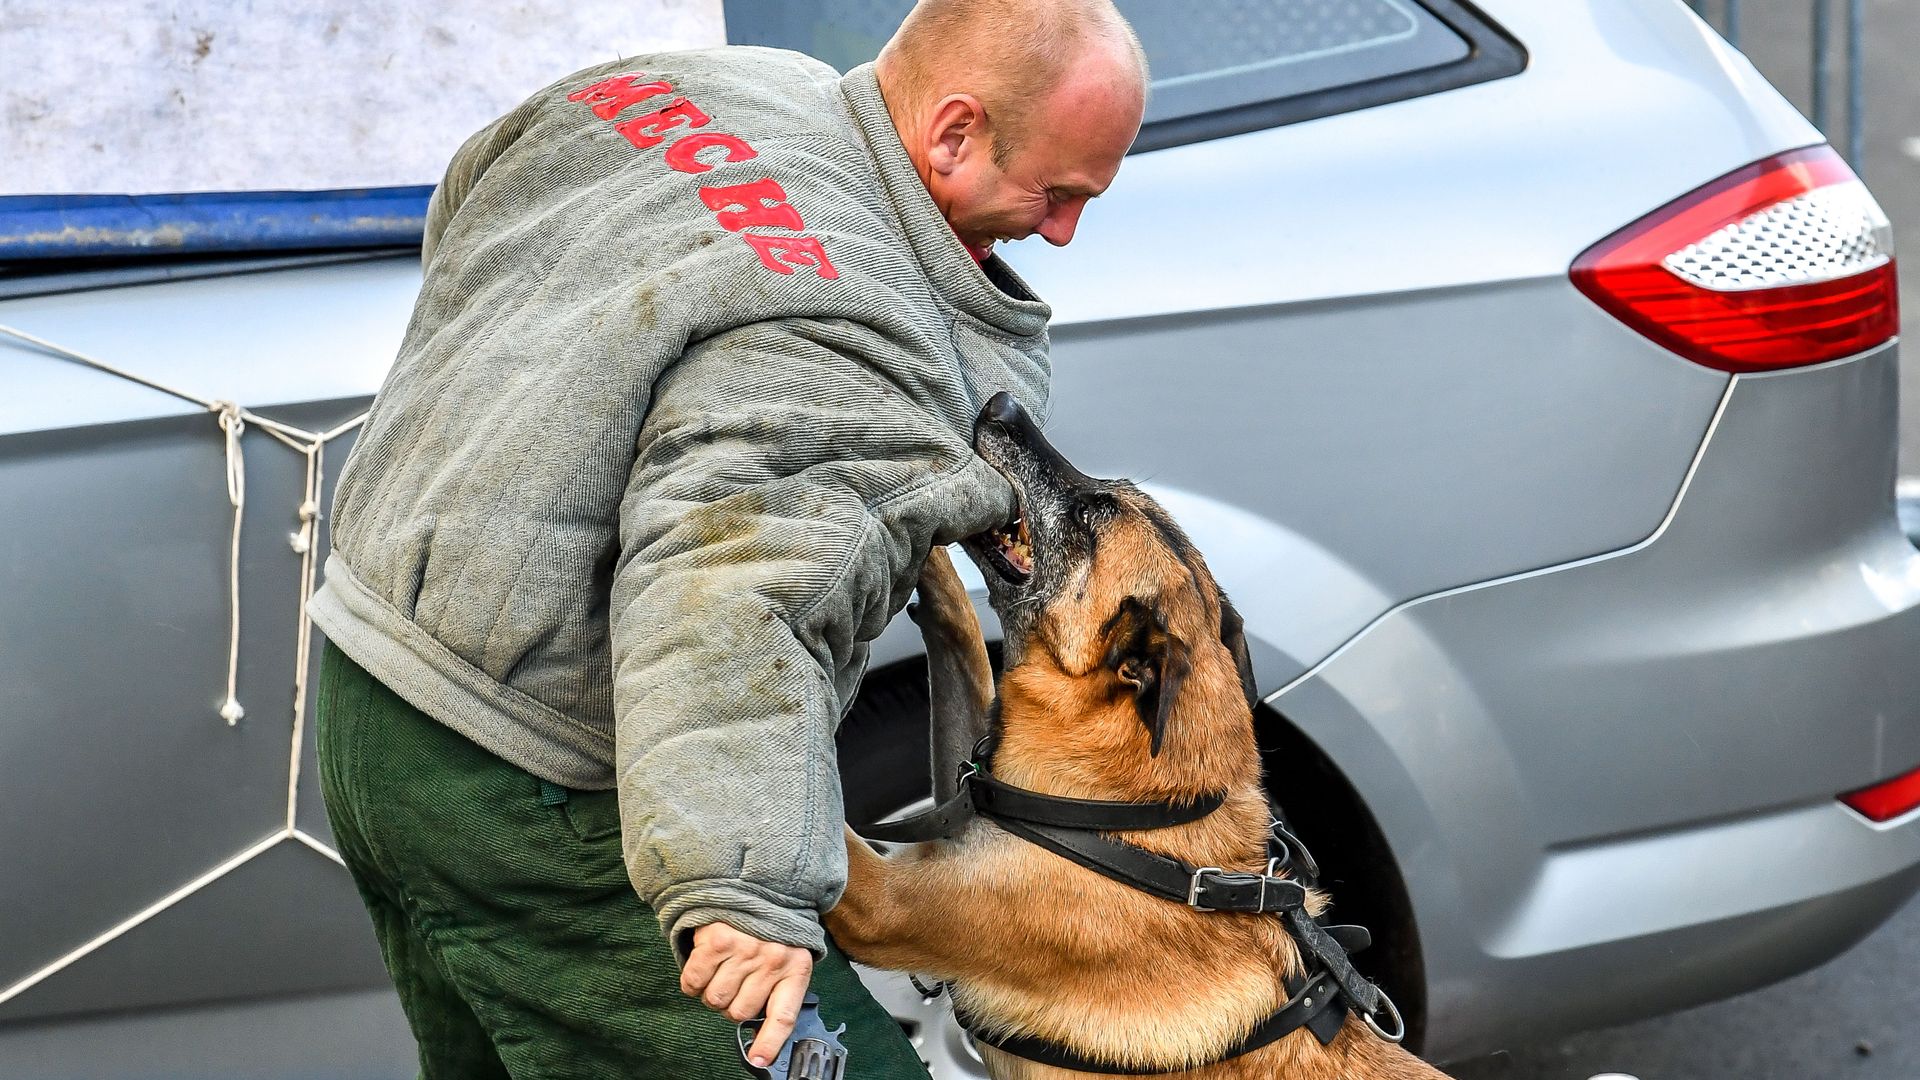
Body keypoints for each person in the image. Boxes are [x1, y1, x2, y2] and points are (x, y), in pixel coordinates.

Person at [308, 1, 1148, 1076]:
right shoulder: (856, 331)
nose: (1066, 231)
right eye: (1058, 191)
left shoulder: (688, 91)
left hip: (375, 687)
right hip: (539, 780)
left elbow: (471, 198)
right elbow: (738, 600)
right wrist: (742, 888)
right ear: (951, 132)